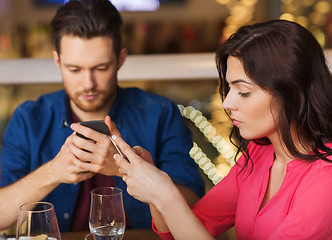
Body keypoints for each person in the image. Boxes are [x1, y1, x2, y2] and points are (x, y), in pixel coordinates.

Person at [113, 19, 332, 239]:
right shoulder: (258, 154)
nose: (227, 103)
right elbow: (179, 232)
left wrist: (165, 194)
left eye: (243, 92)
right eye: (230, 88)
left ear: (291, 93)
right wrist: (155, 185)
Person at [0, 0, 204, 231]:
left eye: (101, 68)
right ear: (57, 62)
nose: (88, 84)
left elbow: (194, 209)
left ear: (120, 60)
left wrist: (125, 169)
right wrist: (53, 171)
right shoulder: (29, 118)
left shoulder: (160, 113)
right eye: (74, 69)